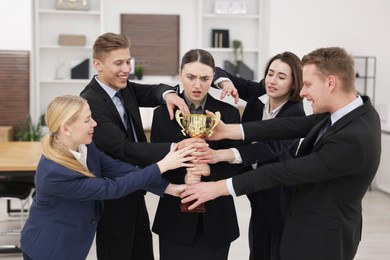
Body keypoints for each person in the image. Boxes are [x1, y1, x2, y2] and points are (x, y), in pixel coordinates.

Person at [181, 47, 382, 260]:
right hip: (303, 223)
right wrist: (230, 130)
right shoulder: (346, 112)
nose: (303, 93)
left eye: (307, 84)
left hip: (323, 238)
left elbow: (283, 171)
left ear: (330, 83)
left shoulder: (354, 139)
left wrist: (218, 187)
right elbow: (287, 126)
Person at [20, 95, 196, 260]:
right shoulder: (53, 173)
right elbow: (111, 188)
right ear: (66, 128)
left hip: (69, 244)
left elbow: (120, 170)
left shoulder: (86, 147)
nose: (94, 123)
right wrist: (163, 165)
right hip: (48, 250)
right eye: (87, 119)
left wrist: (166, 187)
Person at [80, 33, 206, 259]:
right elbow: (123, 148)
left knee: (142, 250)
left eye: (128, 61)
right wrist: (174, 149)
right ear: (97, 64)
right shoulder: (90, 102)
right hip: (114, 193)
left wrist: (169, 95)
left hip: (138, 187)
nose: (126, 68)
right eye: (118, 63)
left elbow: (153, 90)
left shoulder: (124, 87)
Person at [208, 52, 305, 260]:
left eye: (281, 77)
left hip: (280, 193)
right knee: (258, 247)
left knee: (277, 250)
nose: (273, 81)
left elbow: (267, 148)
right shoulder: (259, 92)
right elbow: (215, 70)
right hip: (256, 188)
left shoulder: (296, 113)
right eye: (270, 73)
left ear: (294, 83)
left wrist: (222, 155)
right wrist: (226, 84)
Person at [150, 49, 241, 260]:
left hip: (218, 219)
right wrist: (183, 177)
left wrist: (210, 169)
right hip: (174, 220)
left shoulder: (228, 113)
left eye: (205, 78)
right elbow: (155, 164)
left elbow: (239, 164)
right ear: (180, 73)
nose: (197, 85)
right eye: (191, 77)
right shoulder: (162, 114)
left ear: (213, 79)